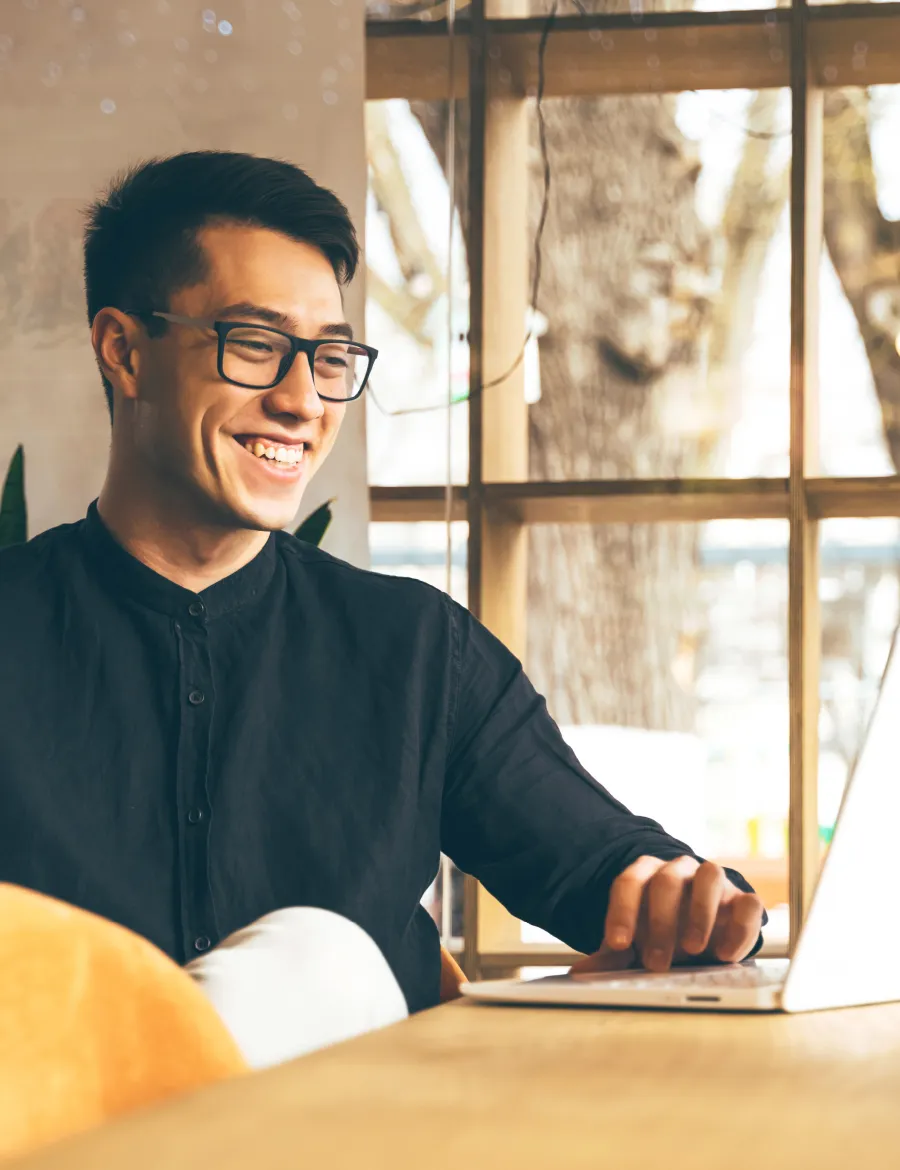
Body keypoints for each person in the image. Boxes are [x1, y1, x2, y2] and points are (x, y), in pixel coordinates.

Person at [0, 151, 764, 1061]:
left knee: (321, 962)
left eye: (329, 357)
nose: (300, 401)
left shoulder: (416, 652)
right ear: (125, 350)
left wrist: (695, 907)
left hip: (360, 1142)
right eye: (253, 344)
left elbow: (605, 866)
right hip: (61, 1138)